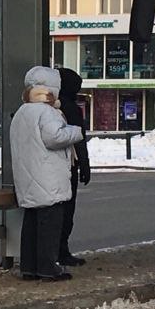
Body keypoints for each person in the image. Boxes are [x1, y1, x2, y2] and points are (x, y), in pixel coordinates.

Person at [10, 66, 84, 282]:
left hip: (28, 176)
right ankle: (48, 267)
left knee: (31, 224)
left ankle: (29, 267)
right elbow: (54, 137)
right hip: (48, 177)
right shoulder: (46, 112)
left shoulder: (22, 111)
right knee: (50, 225)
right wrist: (75, 131)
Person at [56, 67, 91, 266]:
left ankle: (55, 250)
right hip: (69, 165)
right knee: (66, 211)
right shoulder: (71, 109)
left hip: (53, 167)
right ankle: (62, 251)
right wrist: (85, 165)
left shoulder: (51, 106)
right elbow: (79, 139)